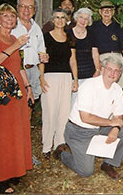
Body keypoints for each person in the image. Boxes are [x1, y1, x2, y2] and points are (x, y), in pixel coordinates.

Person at [53, 56, 123, 180]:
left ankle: (108, 164)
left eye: (117, 71)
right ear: (103, 69)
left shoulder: (117, 89)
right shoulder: (89, 85)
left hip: (98, 128)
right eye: (110, 69)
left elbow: (119, 115)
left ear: (120, 73)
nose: (113, 73)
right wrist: (111, 123)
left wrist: (115, 128)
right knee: (86, 171)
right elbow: (86, 117)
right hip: (79, 131)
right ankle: (62, 153)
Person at [0, 3, 34, 194]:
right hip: (1, 92)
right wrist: (15, 46)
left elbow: (19, 66)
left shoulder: (12, 37)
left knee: (16, 130)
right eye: (5, 16)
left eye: (12, 17)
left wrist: (28, 87)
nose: (9, 20)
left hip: (17, 89)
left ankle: (13, 170)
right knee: (2, 132)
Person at [39, 9, 78, 159]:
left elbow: (72, 60)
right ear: (52, 20)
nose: (60, 20)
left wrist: (75, 79)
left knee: (63, 112)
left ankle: (59, 144)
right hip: (50, 77)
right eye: (57, 18)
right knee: (50, 112)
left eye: (63, 17)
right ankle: (46, 146)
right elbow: (42, 59)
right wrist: (41, 78)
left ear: (66, 20)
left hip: (66, 77)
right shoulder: (46, 37)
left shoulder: (70, 38)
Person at [11, 0, 46, 103]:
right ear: (17, 8)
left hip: (33, 71)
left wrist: (41, 77)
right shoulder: (10, 26)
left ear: (35, 10)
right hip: (16, 71)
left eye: (30, 7)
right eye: (23, 6)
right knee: (16, 105)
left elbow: (41, 53)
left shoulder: (37, 28)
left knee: (30, 103)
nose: (26, 10)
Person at [90, 0, 123, 88]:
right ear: (100, 12)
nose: (107, 12)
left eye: (109, 10)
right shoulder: (92, 27)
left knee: (117, 86)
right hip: (101, 59)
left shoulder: (119, 27)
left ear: (113, 12)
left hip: (117, 58)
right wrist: (96, 63)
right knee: (102, 86)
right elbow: (91, 48)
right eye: (104, 10)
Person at [67, 8, 99, 107]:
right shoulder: (67, 33)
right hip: (71, 74)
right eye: (81, 17)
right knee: (72, 103)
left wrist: (97, 70)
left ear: (89, 22)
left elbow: (95, 53)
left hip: (89, 73)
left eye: (86, 19)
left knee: (87, 103)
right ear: (76, 18)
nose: (83, 21)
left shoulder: (92, 34)